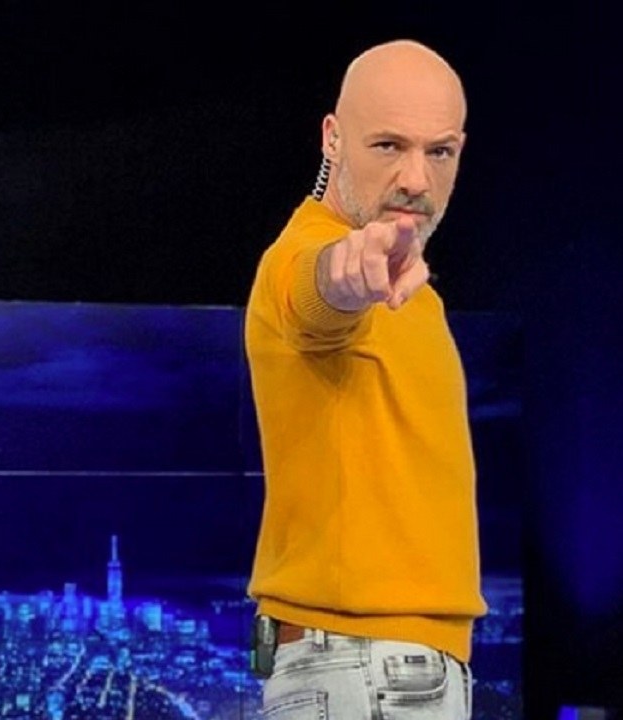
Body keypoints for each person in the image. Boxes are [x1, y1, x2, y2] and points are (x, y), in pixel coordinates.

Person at [243, 38, 485, 719]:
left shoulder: (413, 290)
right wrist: (346, 274)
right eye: (388, 146)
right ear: (333, 138)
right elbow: (317, 295)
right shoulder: (311, 251)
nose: (416, 179)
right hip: (371, 668)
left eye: (439, 152)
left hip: (376, 669)